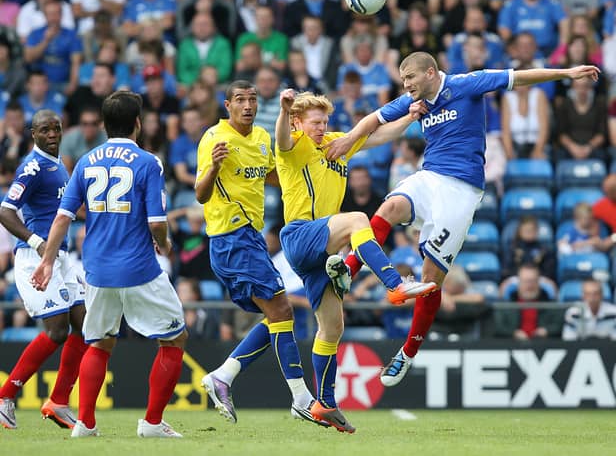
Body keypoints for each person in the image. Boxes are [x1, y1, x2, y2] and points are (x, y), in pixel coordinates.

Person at [324, 51, 600, 387]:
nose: (406, 85)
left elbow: (520, 76)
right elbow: (373, 120)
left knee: (430, 279)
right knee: (387, 209)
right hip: (429, 175)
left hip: (461, 191)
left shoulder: (468, 84)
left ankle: (408, 352)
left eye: (410, 78)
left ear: (430, 72)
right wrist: (349, 139)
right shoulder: (414, 100)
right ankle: (347, 273)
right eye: (402, 79)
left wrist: (567, 73)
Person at [275, 89, 435, 432]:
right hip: (301, 235)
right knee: (359, 219)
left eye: (325, 121)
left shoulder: (335, 142)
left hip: (322, 248)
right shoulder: (293, 145)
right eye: (315, 122)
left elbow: (378, 136)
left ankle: (324, 403)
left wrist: (410, 117)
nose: (322, 127)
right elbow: (282, 137)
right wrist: (284, 109)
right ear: (298, 122)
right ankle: (394, 284)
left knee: (332, 326)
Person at [31, 91, 187, 438]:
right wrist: (165, 245)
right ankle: (151, 422)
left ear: (103, 125)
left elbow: (62, 218)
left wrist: (46, 261)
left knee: (99, 342)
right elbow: (157, 222)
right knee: (174, 339)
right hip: (139, 269)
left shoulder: (86, 161)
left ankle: (85, 423)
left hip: (97, 270)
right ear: (137, 123)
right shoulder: (148, 162)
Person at [194, 80, 321, 427]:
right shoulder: (214, 139)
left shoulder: (263, 139)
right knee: (281, 310)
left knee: (277, 316)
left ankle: (222, 376)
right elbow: (201, 195)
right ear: (227, 106)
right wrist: (214, 168)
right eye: (240, 100)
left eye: (252, 99)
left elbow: (273, 177)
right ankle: (301, 398)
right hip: (230, 237)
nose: (248, 105)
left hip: (252, 238)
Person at [0, 110, 87, 430]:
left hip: (60, 257)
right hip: (34, 258)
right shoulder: (32, 167)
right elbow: (5, 212)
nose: (52, 134)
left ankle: (59, 402)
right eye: (44, 130)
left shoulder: (58, 164)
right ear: (32, 134)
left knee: (86, 326)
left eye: (56, 129)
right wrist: (37, 243)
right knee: (57, 331)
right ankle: (5, 395)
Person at [493, 264, 562, 340]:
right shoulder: (506, 306)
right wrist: (513, 333)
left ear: (538, 282)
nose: (529, 285)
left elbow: (559, 325)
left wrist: (546, 331)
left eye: (532, 281)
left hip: (544, 346)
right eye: (525, 281)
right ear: (518, 282)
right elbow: (498, 327)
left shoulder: (552, 305)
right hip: (512, 346)